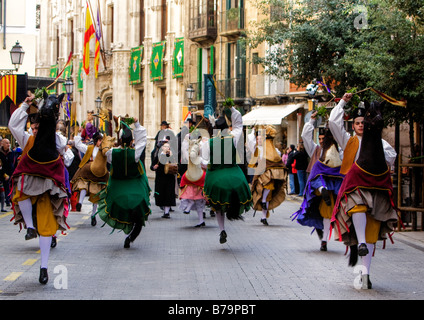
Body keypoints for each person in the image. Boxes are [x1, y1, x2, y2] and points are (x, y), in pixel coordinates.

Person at [328, 93, 397, 289]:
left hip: (375, 188)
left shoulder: (381, 144)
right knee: (357, 208)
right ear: (354, 125)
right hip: (354, 188)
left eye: (362, 122)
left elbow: (391, 157)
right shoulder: (348, 141)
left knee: (373, 229)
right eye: (357, 122)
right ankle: (360, 243)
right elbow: (334, 122)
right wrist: (343, 102)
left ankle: (366, 273)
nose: (360, 125)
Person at [9, 92, 68, 284]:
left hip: (46, 188)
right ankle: (29, 227)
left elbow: (63, 150)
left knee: (46, 226)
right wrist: (25, 106)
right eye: (33, 127)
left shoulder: (56, 139)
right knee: (20, 192)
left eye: (37, 127)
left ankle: (44, 268)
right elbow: (13, 125)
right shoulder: (26, 139)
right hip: (30, 181)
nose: (35, 130)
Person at [292, 114, 344, 251]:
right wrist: (311, 120)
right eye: (320, 139)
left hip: (330, 187)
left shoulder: (340, 153)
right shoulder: (314, 149)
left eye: (324, 139)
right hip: (319, 188)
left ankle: (324, 240)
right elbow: (305, 136)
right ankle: (321, 189)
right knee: (321, 210)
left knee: (324, 211)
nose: (321, 141)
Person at [203, 102, 252, 244]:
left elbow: (205, 162)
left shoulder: (209, 142)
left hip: (217, 177)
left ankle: (222, 229)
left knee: (218, 206)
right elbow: (238, 125)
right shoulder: (233, 138)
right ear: (227, 128)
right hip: (234, 173)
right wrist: (232, 109)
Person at [97, 118, 151, 248]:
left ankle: (126, 225)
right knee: (143, 198)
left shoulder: (112, 153)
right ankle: (131, 237)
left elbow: (106, 154)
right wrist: (137, 124)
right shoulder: (135, 153)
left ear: (120, 140)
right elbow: (143, 140)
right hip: (135, 188)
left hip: (118, 189)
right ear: (132, 140)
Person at [247, 126, 286, 225]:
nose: (259, 140)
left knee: (268, 194)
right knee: (260, 191)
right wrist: (253, 131)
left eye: (261, 139)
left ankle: (264, 217)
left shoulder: (273, 150)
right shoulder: (257, 149)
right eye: (258, 139)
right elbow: (250, 141)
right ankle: (263, 207)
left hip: (270, 175)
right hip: (260, 175)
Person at [71, 130, 105, 226]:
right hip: (89, 170)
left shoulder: (104, 150)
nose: (101, 142)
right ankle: (80, 203)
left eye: (101, 140)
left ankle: (93, 215)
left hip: (98, 173)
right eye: (99, 140)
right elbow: (78, 145)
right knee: (84, 185)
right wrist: (78, 134)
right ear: (95, 141)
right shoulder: (89, 148)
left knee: (95, 193)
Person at [151, 139, 177, 218]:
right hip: (160, 178)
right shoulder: (158, 156)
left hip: (169, 178)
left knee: (169, 194)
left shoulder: (171, 155)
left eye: (168, 147)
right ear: (162, 148)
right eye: (165, 146)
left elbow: (175, 165)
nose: (167, 148)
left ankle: (167, 212)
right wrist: (154, 167)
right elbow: (152, 166)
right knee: (161, 193)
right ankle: (164, 208)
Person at [0, 138, 15, 207]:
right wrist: (4, 174)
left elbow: (13, 163)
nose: (8, 144)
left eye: (9, 143)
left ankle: (8, 200)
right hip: (1, 172)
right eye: (6, 143)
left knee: (8, 187)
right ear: (2, 144)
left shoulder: (11, 152)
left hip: (10, 173)